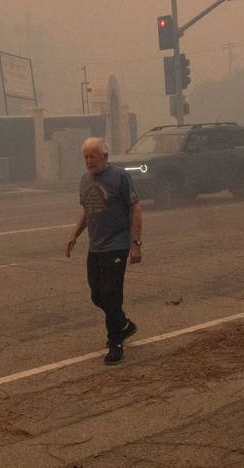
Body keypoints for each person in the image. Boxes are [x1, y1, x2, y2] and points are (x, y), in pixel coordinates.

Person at [66, 136, 143, 365]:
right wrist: (74, 235)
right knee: (97, 295)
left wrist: (135, 244)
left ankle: (115, 342)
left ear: (105, 156)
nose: (89, 161)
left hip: (117, 245)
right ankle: (124, 325)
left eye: (93, 156)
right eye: (86, 157)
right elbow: (88, 210)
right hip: (96, 247)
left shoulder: (120, 177)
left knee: (111, 295)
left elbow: (135, 209)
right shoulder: (85, 180)